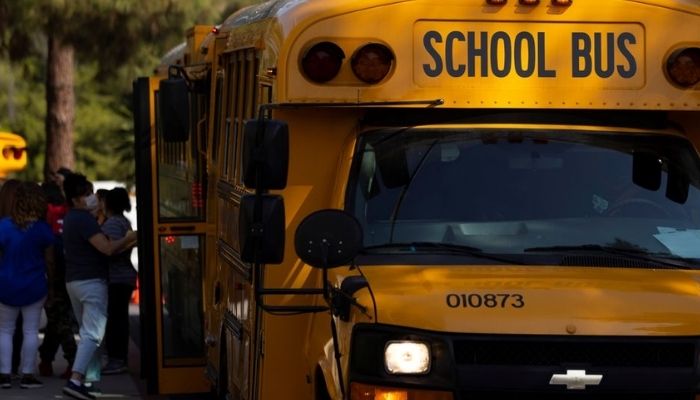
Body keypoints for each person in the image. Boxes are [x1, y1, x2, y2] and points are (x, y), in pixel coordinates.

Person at [61, 173, 136, 400]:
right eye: (87, 194)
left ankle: (90, 381)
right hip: (91, 282)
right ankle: (75, 380)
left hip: (74, 281)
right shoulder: (83, 220)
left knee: (89, 334)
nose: (93, 197)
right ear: (76, 198)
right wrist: (131, 237)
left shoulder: (72, 218)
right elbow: (107, 249)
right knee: (92, 334)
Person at [0, 181, 54, 389]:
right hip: (34, 286)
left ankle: (4, 375)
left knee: (5, 330)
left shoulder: (3, 225)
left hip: (6, 285)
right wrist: (52, 288)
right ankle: (27, 375)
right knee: (31, 331)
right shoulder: (42, 229)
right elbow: (50, 261)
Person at [38, 181, 77, 379]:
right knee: (57, 320)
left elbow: (47, 249)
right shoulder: (68, 211)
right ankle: (46, 359)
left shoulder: (45, 213)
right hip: (70, 271)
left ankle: (73, 362)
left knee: (59, 321)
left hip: (52, 273)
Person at [101, 187, 136, 375]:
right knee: (120, 318)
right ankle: (119, 357)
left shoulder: (113, 224)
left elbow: (110, 249)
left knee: (115, 319)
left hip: (116, 277)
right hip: (125, 276)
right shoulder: (125, 221)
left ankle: (116, 359)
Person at [0, 179, 24, 378]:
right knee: (19, 329)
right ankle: (13, 366)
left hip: (4, 280)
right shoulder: (28, 226)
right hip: (25, 282)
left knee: (5, 328)